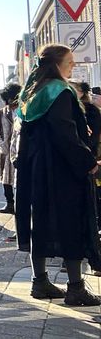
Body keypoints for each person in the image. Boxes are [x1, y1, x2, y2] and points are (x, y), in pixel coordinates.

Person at [14, 44, 101, 306]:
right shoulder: (60, 92)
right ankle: (75, 287)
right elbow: (65, 133)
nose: (73, 65)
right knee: (71, 220)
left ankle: (39, 281)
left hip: (35, 168)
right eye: (70, 61)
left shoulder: (32, 93)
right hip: (61, 168)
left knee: (38, 220)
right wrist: (87, 161)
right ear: (57, 64)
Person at [75, 82, 101, 275]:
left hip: (89, 166)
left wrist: (90, 161)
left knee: (91, 215)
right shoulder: (70, 109)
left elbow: (90, 141)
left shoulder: (90, 112)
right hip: (81, 167)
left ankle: (93, 259)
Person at [0, 84, 20, 214]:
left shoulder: (24, 111)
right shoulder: (1, 113)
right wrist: (0, 143)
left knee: (19, 179)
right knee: (6, 179)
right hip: (6, 151)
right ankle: (9, 203)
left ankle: (21, 205)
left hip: (20, 151)